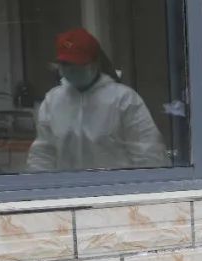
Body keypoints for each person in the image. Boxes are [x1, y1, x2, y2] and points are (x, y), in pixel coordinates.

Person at [27, 27, 167, 172]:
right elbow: (43, 153)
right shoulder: (53, 101)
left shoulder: (124, 99)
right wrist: (39, 181)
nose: (71, 69)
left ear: (95, 64)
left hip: (116, 184)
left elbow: (148, 153)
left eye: (78, 64)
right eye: (66, 64)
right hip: (68, 185)